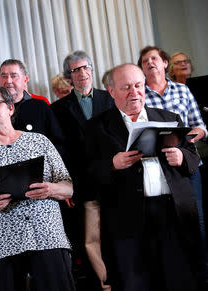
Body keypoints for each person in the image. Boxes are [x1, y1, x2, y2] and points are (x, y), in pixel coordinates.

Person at [85, 63, 200, 291]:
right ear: (111, 91)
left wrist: (181, 156)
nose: (134, 92)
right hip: (127, 219)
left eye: (138, 85)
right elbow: (85, 173)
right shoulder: (95, 127)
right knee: (136, 282)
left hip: (173, 213)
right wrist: (112, 164)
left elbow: (193, 157)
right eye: (126, 87)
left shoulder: (169, 117)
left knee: (179, 278)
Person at [0, 86, 75, 291]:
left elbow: (68, 188)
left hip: (46, 236)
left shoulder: (39, 141)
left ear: (11, 108)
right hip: (1, 244)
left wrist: (50, 189)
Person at [138, 46, 207, 287]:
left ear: (165, 63)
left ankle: (202, 275)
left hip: (187, 162)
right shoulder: (140, 95)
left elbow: (200, 126)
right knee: (169, 224)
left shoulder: (183, 90)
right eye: (145, 61)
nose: (150, 63)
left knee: (196, 220)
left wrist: (187, 139)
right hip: (159, 168)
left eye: (154, 58)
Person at [50, 51, 114, 289]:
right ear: (69, 77)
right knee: (89, 239)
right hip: (83, 183)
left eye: (86, 67)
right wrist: (68, 186)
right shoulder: (57, 109)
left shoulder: (110, 99)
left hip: (113, 178)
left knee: (116, 235)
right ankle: (101, 285)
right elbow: (60, 150)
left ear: (92, 70)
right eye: (76, 70)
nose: (82, 73)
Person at [0, 59, 65, 155]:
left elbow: (58, 142)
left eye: (14, 76)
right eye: (4, 76)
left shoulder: (40, 106)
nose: (8, 81)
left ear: (25, 79)